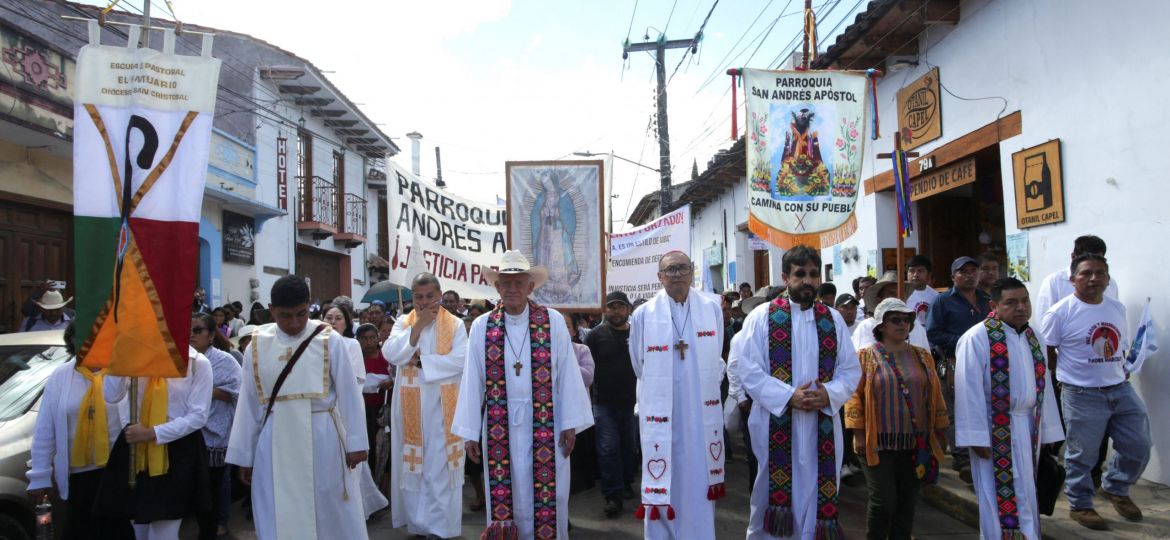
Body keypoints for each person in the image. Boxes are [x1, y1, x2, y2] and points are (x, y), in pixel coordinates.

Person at [453, 250, 592, 539]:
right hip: (497, 427)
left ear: (530, 287)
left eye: (519, 283)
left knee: (550, 495)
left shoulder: (552, 322)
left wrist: (570, 422)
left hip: (547, 423)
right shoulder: (482, 326)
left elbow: (567, 374)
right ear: (497, 287)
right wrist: (469, 433)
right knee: (507, 496)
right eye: (506, 283)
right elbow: (472, 380)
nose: (512, 288)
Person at [226, 275, 369, 540]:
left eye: (301, 314)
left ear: (310, 306)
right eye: (285, 316)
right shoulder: (257, 344)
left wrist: (356, 442)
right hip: (275, 440)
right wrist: (244, 455)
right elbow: (248, 403)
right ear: (271, 310)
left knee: (328, 506)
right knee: (278, 507)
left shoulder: (329, 340)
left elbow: (349, 394)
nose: (294, 324)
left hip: (322, 435)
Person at [733, 246, 860, 539]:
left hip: (822, 423)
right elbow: (749, 370)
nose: (808, 281)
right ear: (785, 277)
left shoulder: (833, 319)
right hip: (775, 423)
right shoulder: (762, 317)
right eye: (800, 274)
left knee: (819, 492)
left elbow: (850, 370)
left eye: (813, 274)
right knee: (770, 494)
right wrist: (789, 396)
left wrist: (828, 394)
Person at [1041, 254, 1149, 530]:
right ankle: (1080, 504)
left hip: (1120, 388)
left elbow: (1120, 344)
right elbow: (1047, 351)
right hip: (1081, 393)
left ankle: (1115, 487)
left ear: (1107, 278)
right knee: (1083, 454)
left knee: (1138, 445)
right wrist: (1063, 379)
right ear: (1072, 278)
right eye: (1086, 273)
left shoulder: (1116, 308)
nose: (1093, 278)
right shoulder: (1060, 312)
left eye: (1100, 273)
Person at [955, 278, 1063, 539]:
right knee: (998, 498)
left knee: (1027, 493)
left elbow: (1044, 385)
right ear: (994, 305)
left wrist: (1047, 432)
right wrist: (976, 436)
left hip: (1028, 427)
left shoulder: (1033, 335)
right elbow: (967, 390)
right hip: (995, 430)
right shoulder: (977, 338)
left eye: (1025, 300)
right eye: (1011, 302)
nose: (1021, 307)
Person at [629, 251, 726, 539]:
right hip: (661, 414)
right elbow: (638, 365)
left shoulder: (712, 309)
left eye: (682, 268)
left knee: (698, 476)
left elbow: (717, 353)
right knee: (664, 477)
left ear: (692, 271)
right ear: (660, 277)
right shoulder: (643, 315)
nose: (677, 275)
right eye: (670, 270)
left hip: (700, 415)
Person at [845, 298, 947, 540]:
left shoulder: (923, 356)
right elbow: (853, 396)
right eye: (895, 320)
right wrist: (858, 433)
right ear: (881, 325)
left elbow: (934, 395)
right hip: (876, 442)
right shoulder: (865, 357)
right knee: (883, 502)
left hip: (915, 442)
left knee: (907, 502)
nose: (902, 324)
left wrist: (939, 432)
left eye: (906, 320)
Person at [95, 345, 213, 540]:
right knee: (139, 529)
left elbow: (198, 416)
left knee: (165, 532)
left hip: (176, 450)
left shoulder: (197, 363)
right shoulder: (137, 356)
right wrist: (122, 356)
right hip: (136, 448)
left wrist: (153, 433)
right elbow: (111, 395)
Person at [27, 323, 133, 539]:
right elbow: (45, 429)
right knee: (81, 530)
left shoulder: (120, 373)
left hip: (114, 473)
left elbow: (120, 399)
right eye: (80, 337)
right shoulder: (60, 376)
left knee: (118, 532)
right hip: (78, 476)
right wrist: (40, 476)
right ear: (72, 341)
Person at [382, 273, 469, 538]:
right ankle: (418, 524)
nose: (424, 301)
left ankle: (441, 527)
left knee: (440, 469)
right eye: (418, 297)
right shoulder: (403, 322)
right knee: (414, 466)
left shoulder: (454, 324)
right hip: (410, 410)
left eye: (430, 296)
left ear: (439, 295)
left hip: (444, 408)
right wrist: (418, 326)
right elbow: (391, 353)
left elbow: (461, 360)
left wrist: (423, 363)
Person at [926, 256, 992, 483]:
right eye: (963, 272)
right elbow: (933, 333)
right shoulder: (942, 301)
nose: (970, 275)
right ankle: (962, 457)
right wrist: (966, 342)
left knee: (984, 405)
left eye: (974, 270)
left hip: (988, 363)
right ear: (953, 276)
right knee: (956, 410)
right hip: (955, 362)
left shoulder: (986, 300)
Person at [323, 303, 387, 519]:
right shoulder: (314, 345)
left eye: (337, 318)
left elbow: (357, 380)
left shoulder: (350, 345)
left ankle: (355, 511)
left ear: (347, 322)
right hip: (323, 412)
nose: (332, 322)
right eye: (328, 317)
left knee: (350, 463)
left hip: (344, 409)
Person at [585, 291, 639, 517]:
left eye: (620, 307)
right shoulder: (595, 336)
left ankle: (626, 482)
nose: (616, 311)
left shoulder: (638, 333)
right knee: (608, 448)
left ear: (628, 309)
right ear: (605, 310)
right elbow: (587, 369)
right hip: (603, 403)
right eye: (611, 307)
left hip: (633, 404)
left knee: (629, 446)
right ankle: (612, 495)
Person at [190, 313, 242, 540]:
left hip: (215, 433)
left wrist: (203, 388)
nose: (192, 335)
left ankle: (216, 526)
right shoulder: (179, 358)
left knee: (214, 486)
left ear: (211, 335)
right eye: (189, 330)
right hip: (187, 433)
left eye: (198, 330)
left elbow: (237, 394)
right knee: (195, 489)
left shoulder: (225, 361)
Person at [853, 272, 930, 351]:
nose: (897, 298)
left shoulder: (916, 326)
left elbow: (926, 358)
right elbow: (862, 360)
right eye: (892, 293)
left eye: (901, 294)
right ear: (879, 300)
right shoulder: (866, 327)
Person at [904, 255, 938, 326]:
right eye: (912, 271)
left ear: (929, 275)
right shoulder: (900, 294)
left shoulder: (936, 297)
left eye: (920, 271)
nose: (915, 275)